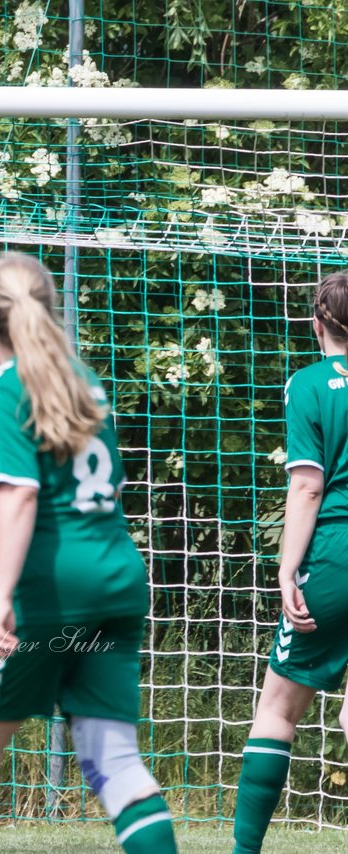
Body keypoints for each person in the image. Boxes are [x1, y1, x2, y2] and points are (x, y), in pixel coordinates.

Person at [0, 252, 177, 853]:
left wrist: (3, 599)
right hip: (113, 579)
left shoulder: (1, 388)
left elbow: (21, 494)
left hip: (42, 590)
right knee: (113, 760)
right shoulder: (82, 381)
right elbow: (84, 479)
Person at [232, 273, 348, 854]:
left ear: (317, 322)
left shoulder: (309, 383)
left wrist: (285, 569)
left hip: (334, 556)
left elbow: (307, 486)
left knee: (278, 708)